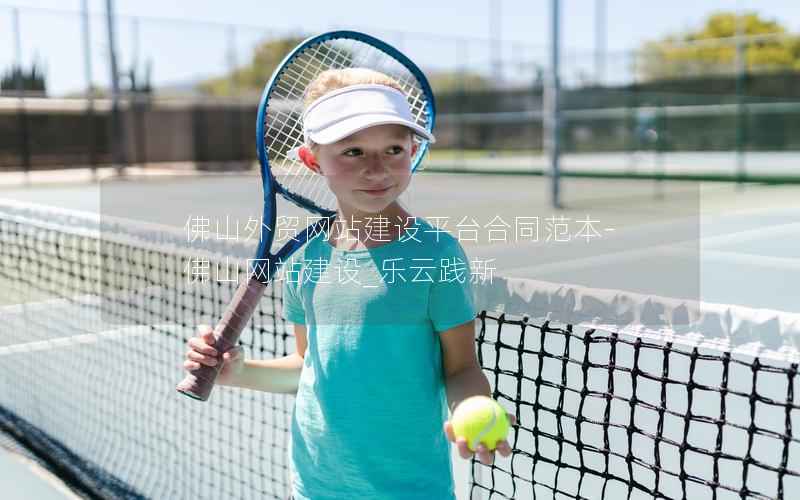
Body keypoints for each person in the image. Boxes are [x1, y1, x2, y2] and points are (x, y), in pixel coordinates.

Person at [183, 68, 514, 500]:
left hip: (410, 489)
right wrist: (239, 371)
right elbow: (308, 366)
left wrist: (471, 405)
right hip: (316, 483)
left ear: (413, 151)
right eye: (353, 151)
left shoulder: (436, 255)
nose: (377, 169)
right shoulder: (306, 261)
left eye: (393, 149)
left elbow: (461, 368)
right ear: (312, 160)